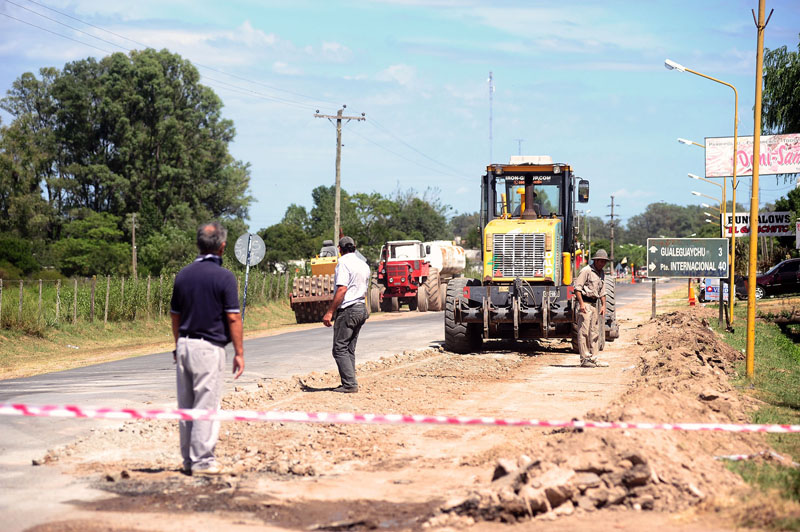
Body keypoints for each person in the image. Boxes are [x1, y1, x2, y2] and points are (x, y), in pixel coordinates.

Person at [170, 221, 244, 475]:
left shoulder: (183, 274)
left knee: (186, 405)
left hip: (183, 345)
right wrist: (239, 352)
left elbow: (175, 316)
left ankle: (188, 460)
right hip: (209, 348)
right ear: (222, 247)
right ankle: (203, 461)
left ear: (198, 245)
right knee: (206, 405)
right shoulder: (224, 277)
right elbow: (233, 317)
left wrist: (177, 343)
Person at [322, 236, 370, 393]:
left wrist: (330, 312)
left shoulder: (343, 263)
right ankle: (350, 381)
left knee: (339, 348)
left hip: (348, 309)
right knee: (349, 348)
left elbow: (342, 289)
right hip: (361, 308)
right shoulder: (363, 264)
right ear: (354, 248)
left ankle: (349, 384)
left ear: (340, 250)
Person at [574, 249, 610, 368]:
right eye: (600, 261)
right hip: (585, 304)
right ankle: (584, 358)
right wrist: (581, 304)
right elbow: (577, 289)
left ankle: (594, 358)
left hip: (595, 305)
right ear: (596, 260)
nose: (602, 263)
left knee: (594, 332)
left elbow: (602, 291)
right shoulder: (586, 271)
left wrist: (604, 305)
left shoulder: (601, 273)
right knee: (584, 332)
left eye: (604, 262)